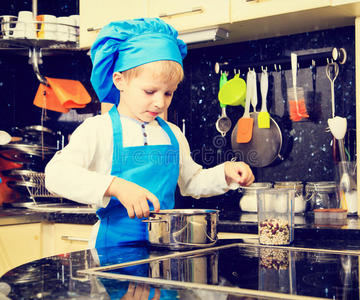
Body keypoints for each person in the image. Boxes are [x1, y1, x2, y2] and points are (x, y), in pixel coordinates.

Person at [45, 18, 255, 249]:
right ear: (119, 81)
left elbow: (191, 182)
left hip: (165, 246)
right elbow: (56, 175)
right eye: (150, 91)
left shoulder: (173, 134)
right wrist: (115, 186)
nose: (159, 103)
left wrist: (224, 174)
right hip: (113, 250)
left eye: (168, 93)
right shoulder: (98, 129)